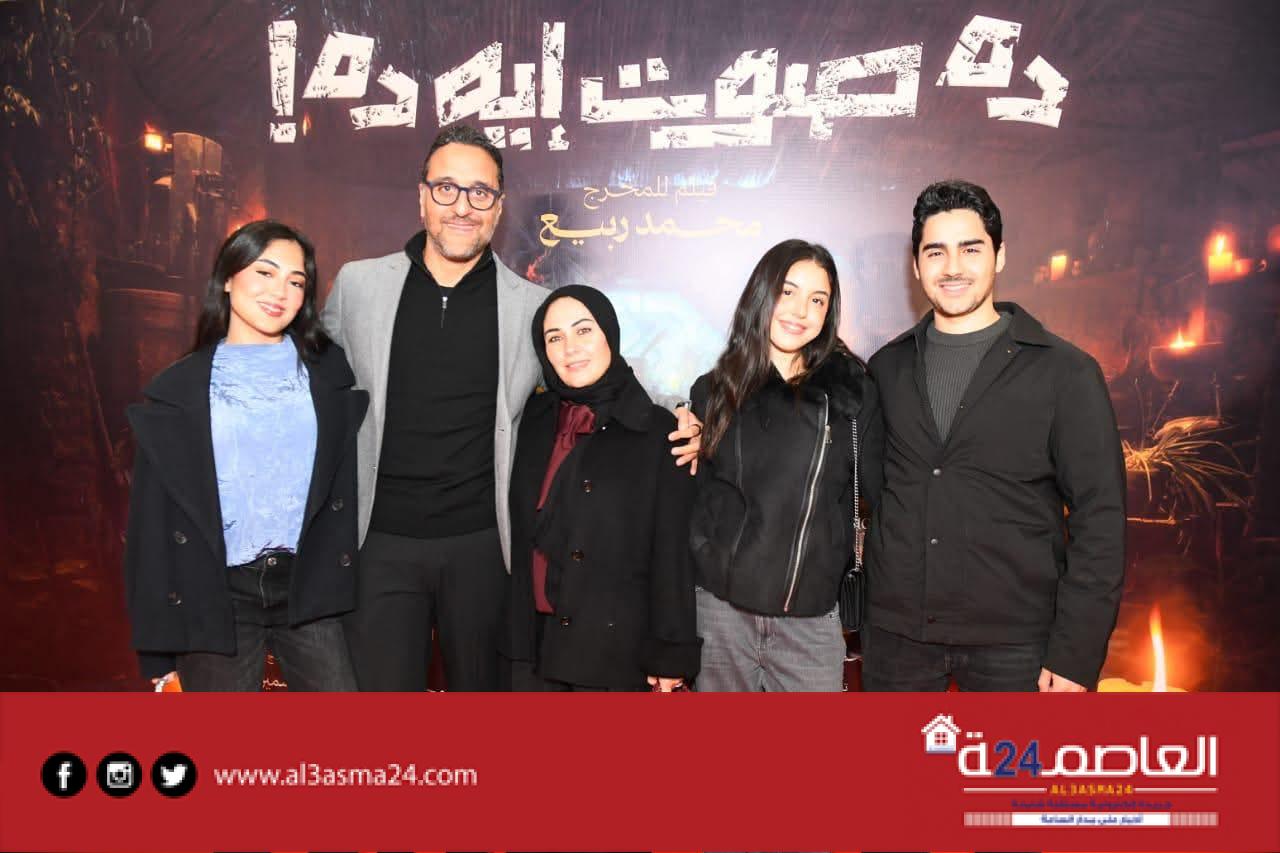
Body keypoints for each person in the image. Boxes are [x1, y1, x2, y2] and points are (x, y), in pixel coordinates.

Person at [322, 124, 702, 692]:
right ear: (422, 197)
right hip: (380, 545)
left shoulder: (531, 307)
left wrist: (680, 410)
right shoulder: (359, 286)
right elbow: (313, 380)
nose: (462, 206)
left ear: (498, 207)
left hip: (485, 548)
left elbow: (595, 374)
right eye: (447, 188)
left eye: (480, 192)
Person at [863, 179, 1125, 692]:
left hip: (1018, 644)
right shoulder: (886, 368)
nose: (952, 267)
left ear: (999, 256)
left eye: (971, 249)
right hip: (898, 638)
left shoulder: (1065, 372)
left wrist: (1075, 653)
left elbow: (1101, 517)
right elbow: (872, 484)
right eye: (935, 252)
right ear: (916, 265)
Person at [123, 220, 367, 691]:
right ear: (228, 278)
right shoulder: (178, 391)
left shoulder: (331, 376)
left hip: (309, 585)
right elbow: (150, 527)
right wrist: (156, 651)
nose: (280, 292)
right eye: (265, 272)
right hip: (217, 593)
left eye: (296, 282)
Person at [688, 239, 883, 692]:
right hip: (721, 616)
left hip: (810, 623)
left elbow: (884, 495)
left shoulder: (852, 393)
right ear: (762, 293)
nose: (801, 311)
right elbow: (694, 504)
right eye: (788, 292)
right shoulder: (713, 391)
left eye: (818, 300)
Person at [505, 285, 701, 691]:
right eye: (554, 338)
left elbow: (672, 555)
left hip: (613, 655)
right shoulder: (530, 422)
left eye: (583, 330)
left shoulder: (660, 433)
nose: (570, 348)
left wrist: (670, 652)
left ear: (609, 333)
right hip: (529, 651)